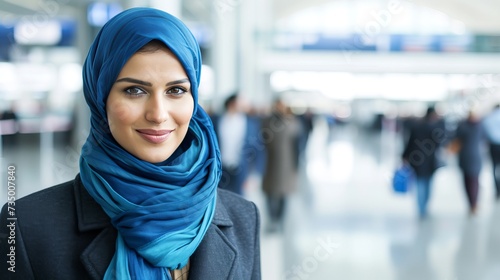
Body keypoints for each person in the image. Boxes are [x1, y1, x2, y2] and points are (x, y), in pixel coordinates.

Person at [0, 7, 260, 280]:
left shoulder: (243, 219)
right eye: (135, 90)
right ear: (101, 99)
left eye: (176, 90)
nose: (158, 114)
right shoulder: (26, 227)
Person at [212, 93, 265, 195]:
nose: (245, 104)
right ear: (232, 103)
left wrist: (255, 175)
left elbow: (258, 149)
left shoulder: (251, 123)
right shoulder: (216, 120)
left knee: (238, 203)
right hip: (219, 170)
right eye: (242, 102)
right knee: (218, 202)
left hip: (241, 170)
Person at [261, 98, 300, 233]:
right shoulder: (267, 122)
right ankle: (272, 220)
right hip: (270, 163)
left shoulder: (292, 122)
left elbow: (298, 145)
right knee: (270, 194)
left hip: (287, 164)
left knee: (283, 194)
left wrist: (297, 165)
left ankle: (279, 221)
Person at [402, 106, 447, 219]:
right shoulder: (436, 128)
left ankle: (421, 208)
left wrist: (404, 156)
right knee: (428, 184)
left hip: (417, 159)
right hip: (430, 160)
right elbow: (441, 143)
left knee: (420, 183)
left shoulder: (416, 126)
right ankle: (425, 206)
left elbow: (409, 143)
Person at [453, 111, 485, 215]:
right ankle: (474, 203)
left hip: (465, 156)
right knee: (474, 181)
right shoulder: (480, 126)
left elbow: (455, 138)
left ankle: (472, 203)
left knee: (468, 181)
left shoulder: (462, 126)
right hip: (475, 156)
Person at [482, 104, 500, 200]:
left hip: (493, 145)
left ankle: (497, 190)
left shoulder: (489, 118)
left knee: (494, 168)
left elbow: (485, 132)